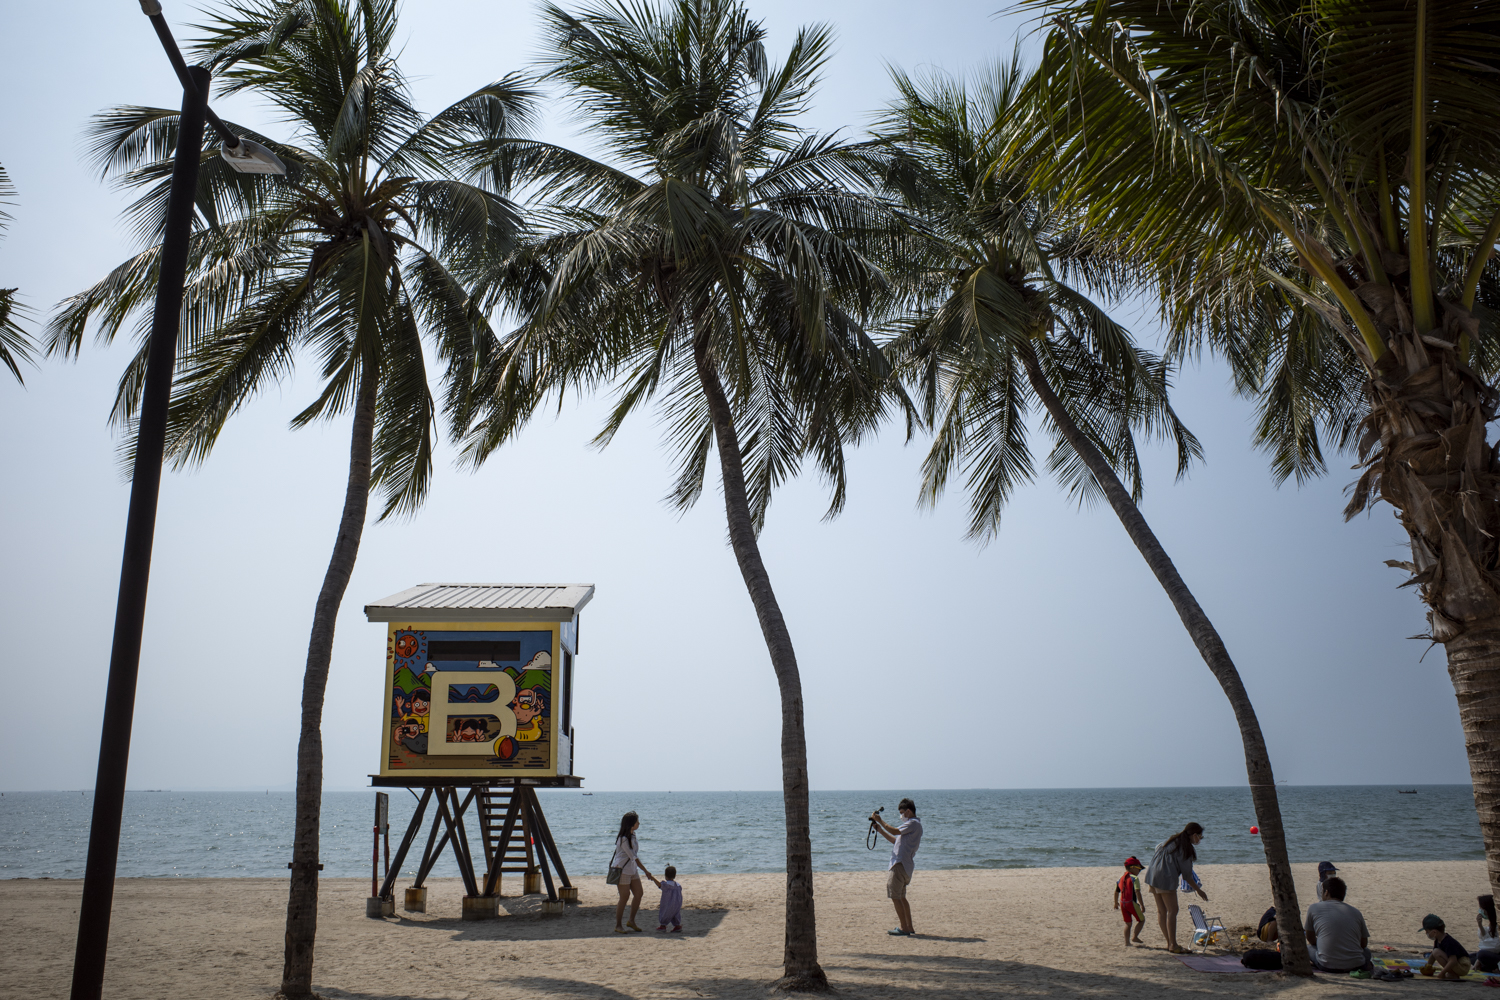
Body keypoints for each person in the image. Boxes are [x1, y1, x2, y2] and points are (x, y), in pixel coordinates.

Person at [1143, 822, 1207, 954]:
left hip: (1152, 875)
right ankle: (1173, 944)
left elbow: (1157, 850)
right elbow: (1188, 876)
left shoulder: (1170, 841)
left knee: (1161, 911)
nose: (1200, 840)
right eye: (1200, 837)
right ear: (1194, 835)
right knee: (1173, 910)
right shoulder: (1184, 848)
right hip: (1165, 878)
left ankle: (1170, 943)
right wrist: (1199, 891)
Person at [869, 798, 923, 937]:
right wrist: (880, 830)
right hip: (905, 865)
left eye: (902, 813)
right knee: (902, 897)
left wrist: (880, 820)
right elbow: (895, 840)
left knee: (895, 896)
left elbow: (894, 831)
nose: (901, 816)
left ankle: (904, 927)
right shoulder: (912, 826)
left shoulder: (912, 823)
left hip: (899, 865)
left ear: (909, 811)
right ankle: (908, 926)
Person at [1304, 877, 1373, 973]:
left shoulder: (1314, 908)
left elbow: (1310, 939)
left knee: (1308, 948)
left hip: (1326, 965)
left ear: (1326, 892)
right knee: (1367, 952)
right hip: (1355, 964)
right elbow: (1363, 944)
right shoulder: (1355, 912)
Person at [610, 811, 660, 934]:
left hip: (632, 870)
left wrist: (643, 871)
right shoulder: (623, 839)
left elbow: (634, 857)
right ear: (631, 824)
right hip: (622, 870)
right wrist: (646, 871)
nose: (639, 823)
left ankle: (631, 921)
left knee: (639, 893)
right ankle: (618, 925)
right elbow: (633, 857)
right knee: (624, 897)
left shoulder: (633, 836)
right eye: (637, 821)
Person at [1421, 914, 1472, 979]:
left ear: (1434, 932)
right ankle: (1452, 973)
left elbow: (1453, 960)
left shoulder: (1448, 942)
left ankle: (1453, 974)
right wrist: (1428, 967)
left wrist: (1442, 973)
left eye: (1427, 931)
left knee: (1436, 952)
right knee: (1435, 952)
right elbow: (1432, 955)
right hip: (1457, 964)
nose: (1426, 934)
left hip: (1462, 966)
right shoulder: (1437, 940)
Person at [1113, 856, 1147, 946]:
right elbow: (1137, 891)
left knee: (1128, 924)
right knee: (1141, 920)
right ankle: (1135, 937)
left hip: (1122, 903)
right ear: (1132, 868)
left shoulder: (1120, 878)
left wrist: (1115, 903)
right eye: (1139, 869)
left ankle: (1127, 942)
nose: (1139, 871)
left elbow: (1116, 891)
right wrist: (1142, 905)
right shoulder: (1134, 878)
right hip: (1131, 903)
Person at [656, 865, 683, 932]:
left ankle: (663, 926)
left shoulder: (666, 885)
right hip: (677, 902)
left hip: (669, 903)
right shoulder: (678, 885)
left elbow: (659, 885)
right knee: (675, 914)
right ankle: (677, 925)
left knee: (665, 913)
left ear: (665, 876)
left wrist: (653, 878)